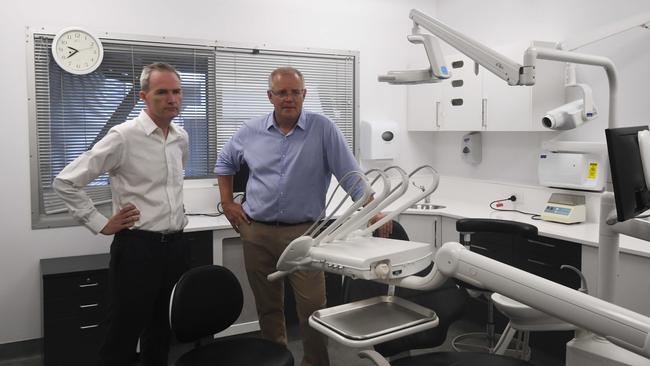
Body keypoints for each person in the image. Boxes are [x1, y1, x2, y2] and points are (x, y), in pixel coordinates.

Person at [214, 66, 391, 366]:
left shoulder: (323, 129)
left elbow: (350, 175)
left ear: (304, 95)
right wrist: (227, 202)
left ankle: (316, 362)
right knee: (267, 305)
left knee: (312, 306)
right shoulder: (250, 131)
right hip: (256, 231)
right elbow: (225, 163)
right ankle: (276, 357)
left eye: (295, 92)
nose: (289, 98)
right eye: (282, 92)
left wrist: (373, 210)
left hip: (305, 234)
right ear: (270, 96)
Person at [53, 62, 189, 366]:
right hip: (138, 248)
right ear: (143, 96)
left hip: (176, 247)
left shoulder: (181, 136)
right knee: (123, 333)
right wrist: (100, 223)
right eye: (162, 92)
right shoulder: (124, 136)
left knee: (161, 330)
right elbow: (65, 181)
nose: (172, 99)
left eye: (177, 91)